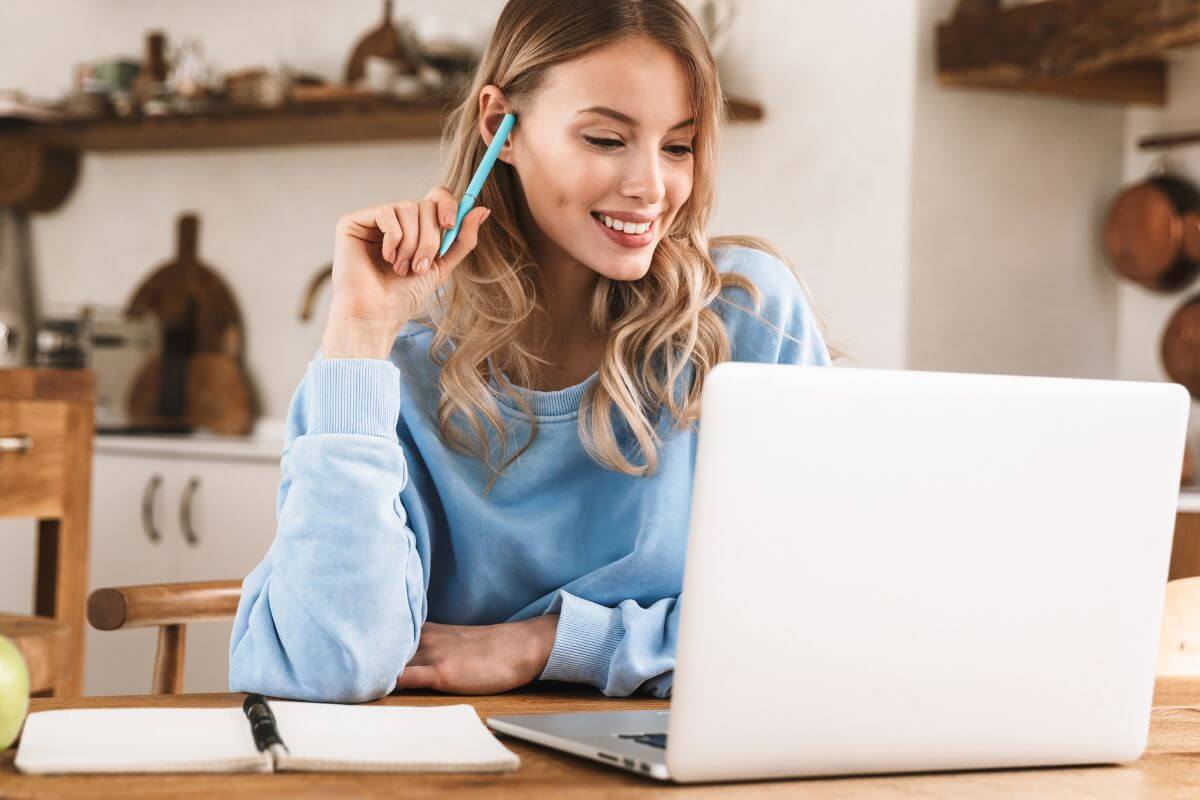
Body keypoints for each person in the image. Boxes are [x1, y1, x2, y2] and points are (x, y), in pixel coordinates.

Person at [228, 0, 838, 704]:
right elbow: (326, 667)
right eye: (606, 139)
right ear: (500, 127)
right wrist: (359, 334)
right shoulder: (392, 371)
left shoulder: (746, 316)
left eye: (679, 146)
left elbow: (817, 615)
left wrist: (547, 643)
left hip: (683, 752)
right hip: (460, 755)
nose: (651, 187)